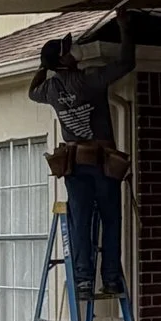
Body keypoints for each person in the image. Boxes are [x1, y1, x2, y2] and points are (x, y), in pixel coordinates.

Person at [29, 32, 134, 298]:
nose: (75, 50)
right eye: (68, 49)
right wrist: (124, 27)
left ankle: (83, 281)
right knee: (111, 220)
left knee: (81, 222)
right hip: (103, 163)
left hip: (74, 166)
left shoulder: (51, 89)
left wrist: (44, 66)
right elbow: (127, 62)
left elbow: (32, 92)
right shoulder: (89, 80)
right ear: (64, 59)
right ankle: (110, 280)